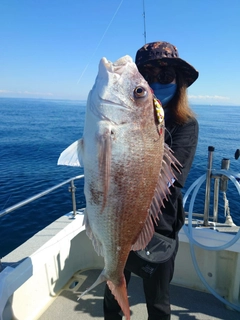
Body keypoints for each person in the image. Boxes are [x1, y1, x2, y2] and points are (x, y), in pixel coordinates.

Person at [103, 41, 199, 320]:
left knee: (158, 301)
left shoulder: (186, 125)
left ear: (179, 82)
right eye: (148, 76)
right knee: (113, 289)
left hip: (160, 228)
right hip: (119, 219)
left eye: (166, 76)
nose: (157, 80)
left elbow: (174, 177)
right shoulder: (126, 117)